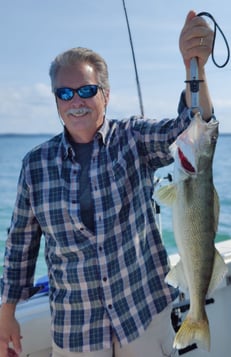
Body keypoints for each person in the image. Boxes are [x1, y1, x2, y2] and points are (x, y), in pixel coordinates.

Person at [0, 10, 214, 357]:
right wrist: (6, 313)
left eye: (86, 90)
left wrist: (196, 69)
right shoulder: (34, 165)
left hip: (144, 314)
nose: (76, 101)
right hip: (76, 329)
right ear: (55, 99)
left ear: (106, 95)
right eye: (64, 93)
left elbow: (194, 131)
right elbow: (20, 246)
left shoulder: (132, 138)